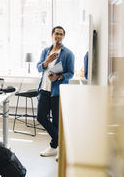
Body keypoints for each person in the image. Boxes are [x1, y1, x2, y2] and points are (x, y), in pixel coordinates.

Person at [36, 26, 74, 157]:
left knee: (56, 122)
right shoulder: (45, 51)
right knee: (40, 117)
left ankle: (53, 147)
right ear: (52, 35)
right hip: (44, 90)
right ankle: (63, 144)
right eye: (56, 33)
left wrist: (59, 77)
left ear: (63, 36)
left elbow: (71, 73)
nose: (58, 36)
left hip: (57, 92)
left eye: (61, 34)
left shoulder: (68, 54)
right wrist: (46, 62)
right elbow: (39, 68)